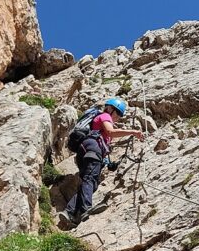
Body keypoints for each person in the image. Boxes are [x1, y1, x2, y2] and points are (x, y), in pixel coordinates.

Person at [61, 97, 144, 226]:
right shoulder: (105, 116)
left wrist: (107, 163)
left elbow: (104, 144)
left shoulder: (100, 129)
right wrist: (133, 132)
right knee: (90, 179)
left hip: (86, 151)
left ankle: (69, 212)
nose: (117, 118)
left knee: (90, 183)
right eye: (117, 114)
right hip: (91, 148)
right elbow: (111, 132)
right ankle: (86, 209)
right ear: (110, 109)